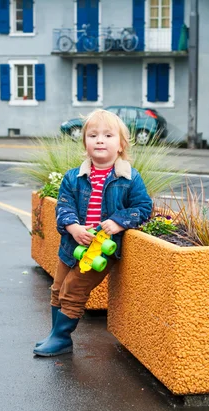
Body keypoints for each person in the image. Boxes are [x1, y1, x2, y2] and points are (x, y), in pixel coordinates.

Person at [33, 109, 153, 357]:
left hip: (102, 250)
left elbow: (143, 207)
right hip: (71, 245)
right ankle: (57, 334)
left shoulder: (129, 178)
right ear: (85, 143)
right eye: (93, 135)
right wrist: (73, 227)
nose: (100, 140)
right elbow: (64, 206)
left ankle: (62, 337)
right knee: (58, 288)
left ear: (120, 145)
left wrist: (119, 221)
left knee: (74, 288)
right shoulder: (72, 177)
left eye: (108, 135)